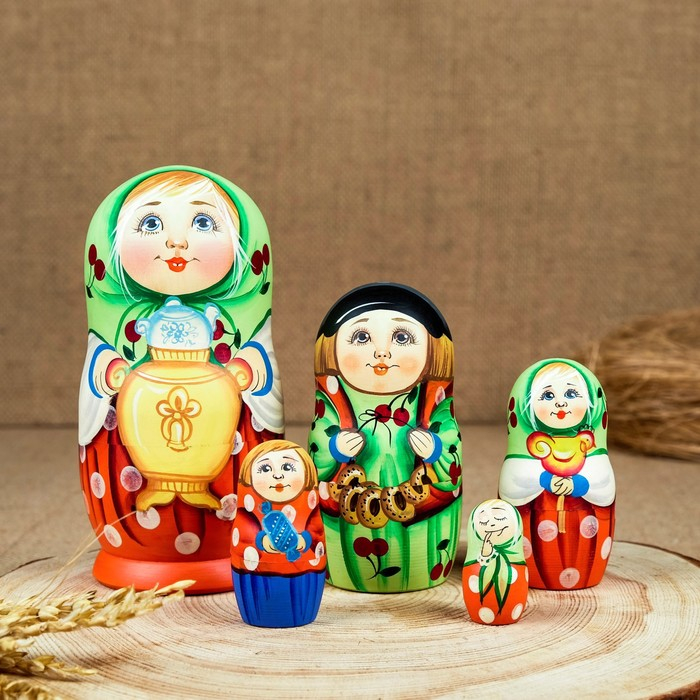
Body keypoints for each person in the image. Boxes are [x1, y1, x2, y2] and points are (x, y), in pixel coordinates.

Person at [309, 283, 462, 593]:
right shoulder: (334, 399)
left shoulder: (433, 398)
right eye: (361, 337)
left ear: (434, 350)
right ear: (330, 348)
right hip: (350, 506)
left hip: (420, 511)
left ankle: (423, 570)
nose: (382, 352)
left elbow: (449, 439)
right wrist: (334, 446)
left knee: (422, 543)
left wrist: (435, 447)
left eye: (402, 338)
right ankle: (343, 570)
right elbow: (319, 442)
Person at [499, 359, 615, 590]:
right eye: (548, 396)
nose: (560, 403)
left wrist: (579, 485)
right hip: (533, 529)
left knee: (584, 550)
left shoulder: (592, 449)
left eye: (571, 394)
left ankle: (586, 573)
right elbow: (513, 485)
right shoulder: (523, 453)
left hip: (586, 531)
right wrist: (544, 479)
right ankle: (530, 574)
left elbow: (603, 485)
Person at [231, 440, 326, 627]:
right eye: (265, 469)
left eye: (287, 467)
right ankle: (259, 614)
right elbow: (244, 533)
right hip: (255, 577)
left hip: (306, 574)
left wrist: (304, 540)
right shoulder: (247, 510)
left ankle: (300, 614)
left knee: (300, 602)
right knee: (259, 598)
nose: (278, 475)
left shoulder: (310, 508)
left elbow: (315, 530)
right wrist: (261, 541)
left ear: (308, 475)